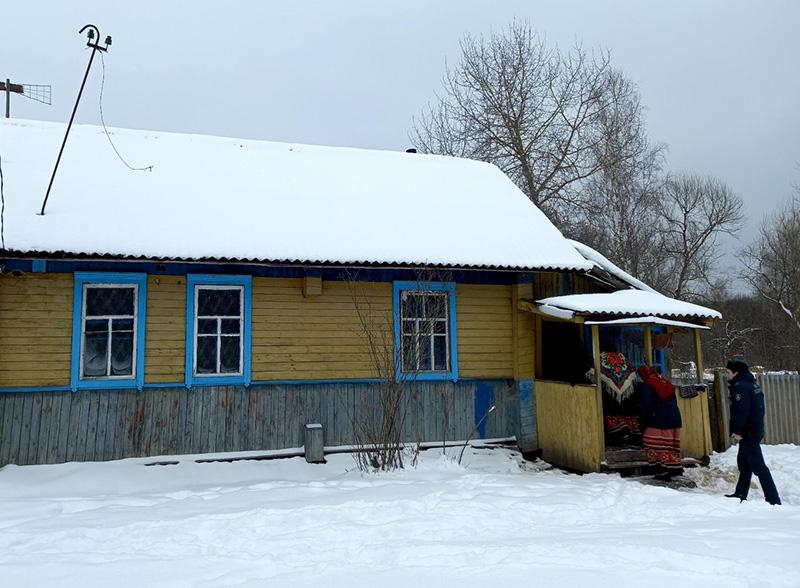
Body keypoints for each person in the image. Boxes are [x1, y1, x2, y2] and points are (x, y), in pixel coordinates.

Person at [724, 359, 781, 505]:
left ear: (736, 373)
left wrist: (737, 431)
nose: (726, 375)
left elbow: (741, 412)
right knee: (744, 464)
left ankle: (773, 500)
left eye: (728, 372)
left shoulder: (741, 387)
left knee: (759, 467)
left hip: (748, 432)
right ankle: (740, 494)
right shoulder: (751, 385)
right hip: (753, 430)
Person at [638, 365, 683, 481]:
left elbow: (646, 405)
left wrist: (642, 423)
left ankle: (663, 470)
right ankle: (674, 468)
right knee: (670, 446)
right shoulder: (666, 382)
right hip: (674, 418)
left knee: (653, 443)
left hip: (658, 420)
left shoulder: (649, 385)